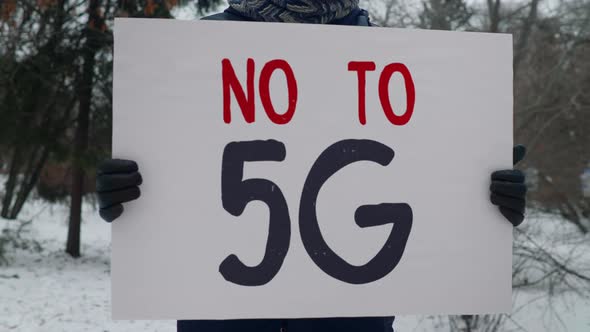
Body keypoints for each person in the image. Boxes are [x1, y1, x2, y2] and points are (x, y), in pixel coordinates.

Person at [96, 1, 528, 331]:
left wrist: (484, 196)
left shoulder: (402, 56)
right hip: (222, 317)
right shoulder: (190, 53)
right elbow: (175, 172)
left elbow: (425, 184)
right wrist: (128, 192)